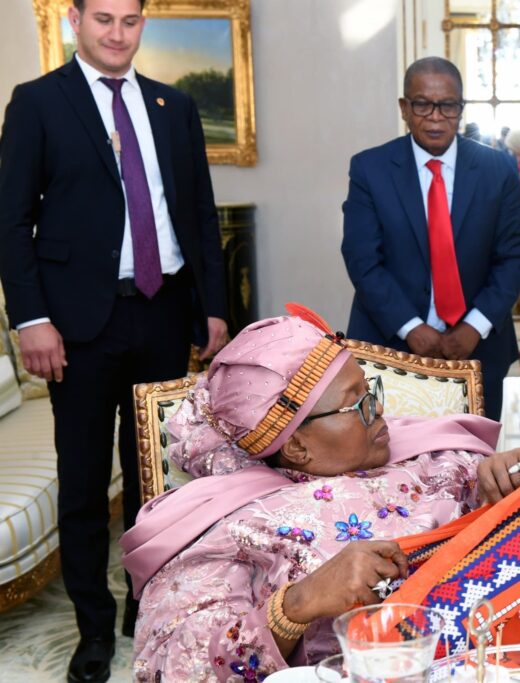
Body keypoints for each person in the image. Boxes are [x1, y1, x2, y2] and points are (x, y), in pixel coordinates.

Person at [0, 0, 227, 680]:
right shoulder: (38, 103)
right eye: (103, 19)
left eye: (129, 20)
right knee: (83, 482)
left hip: (162, 311)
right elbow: (10, 224)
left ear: (142, 24)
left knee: (155, 479)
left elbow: (200, 212)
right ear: (75, 20)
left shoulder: (172, 106)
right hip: (77, 326)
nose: (116, 33)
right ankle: (94, 629)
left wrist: (213, 307)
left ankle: (146, 600)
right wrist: (30, 320)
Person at [120, 315, 520, 680]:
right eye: (354, 405)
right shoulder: (233, 527)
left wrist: (509, 481)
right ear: (298, 447)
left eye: (368, 390)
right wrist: (296, 605)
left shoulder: (433, 451)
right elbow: (177, 667)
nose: (377, 409)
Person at [341, 57, 520, 421]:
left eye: (447, 106)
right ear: (404, 108)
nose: (435, 116)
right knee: (392, 461)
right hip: (389, 344)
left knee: (475, 462)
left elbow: (513, 258)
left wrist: (474, 325)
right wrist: (411, 327)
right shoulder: (370, 169)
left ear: (460, 109)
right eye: (422, 104)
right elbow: (363, 260)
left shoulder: (497, 170)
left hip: (478, 347)